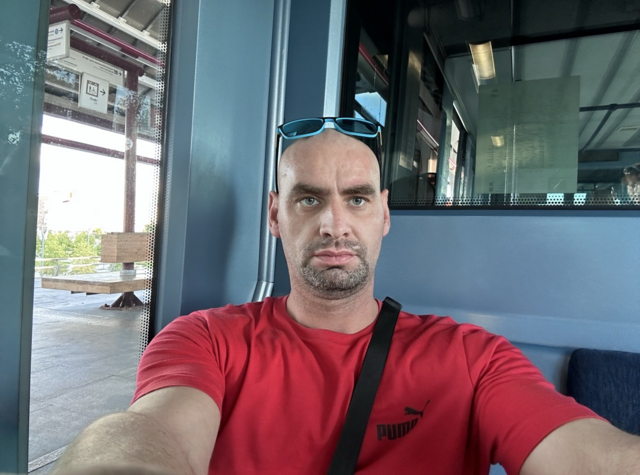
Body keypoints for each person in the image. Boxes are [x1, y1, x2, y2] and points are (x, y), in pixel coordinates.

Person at [53, 119, 640, 475]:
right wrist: (114, 456)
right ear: (276, 216)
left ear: (383, 215)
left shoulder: (473, 358)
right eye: (308, 199)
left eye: (356, 199)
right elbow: (153, 431)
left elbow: (581, 450)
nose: (334, 223)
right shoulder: (205, 339)